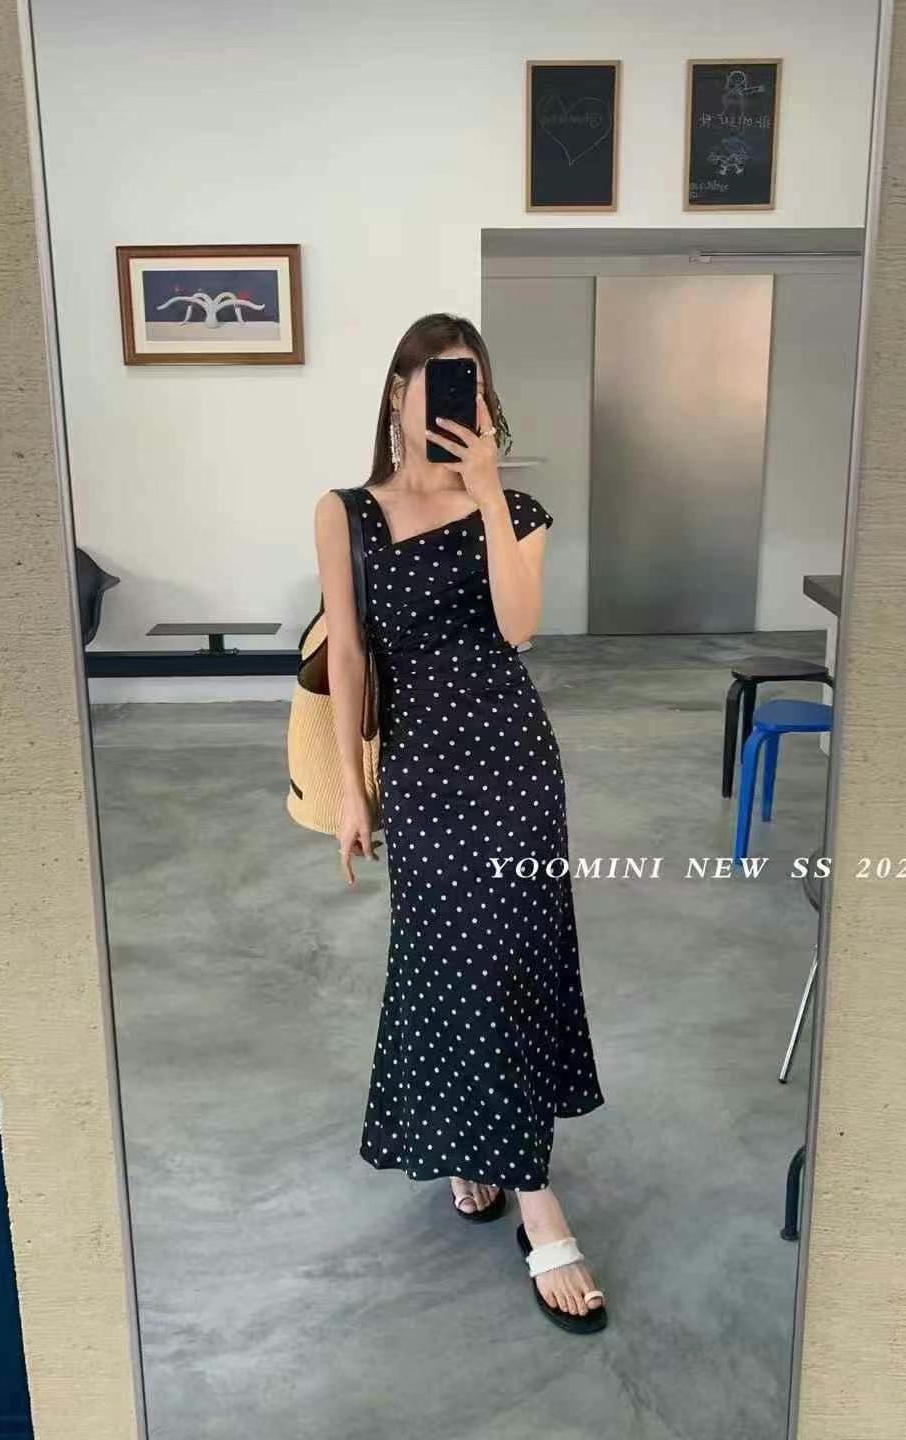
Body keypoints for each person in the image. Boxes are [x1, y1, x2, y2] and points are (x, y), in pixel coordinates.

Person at [313, 312, 608, 1331]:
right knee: (448, 961)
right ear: (398, 394)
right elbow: (349, 653)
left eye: (472, 382)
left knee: (514, 959)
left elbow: (518, 626)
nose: (455, 398)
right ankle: (476, 1144)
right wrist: (354, 789)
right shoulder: (346, 512)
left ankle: (534, 1197)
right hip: (424, 772)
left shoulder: (515, 506)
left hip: (513, 763)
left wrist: (484, 493)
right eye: (437, 380)